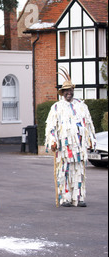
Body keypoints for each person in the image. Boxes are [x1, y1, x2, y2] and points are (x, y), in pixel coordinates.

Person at [44, 68, 96, 207]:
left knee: (79, 172)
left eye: (70, 90)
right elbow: (51, 127)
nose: (68, 92)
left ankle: (78, 197)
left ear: (73, 90)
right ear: (62, 93)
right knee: (64, 172)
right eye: (66, 90)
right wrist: (53, 141)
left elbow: (88, 124)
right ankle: (65, 198)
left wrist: (90, 140)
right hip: (63, 148)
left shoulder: (81, 106)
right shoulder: (56, 107)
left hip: (79, 147)